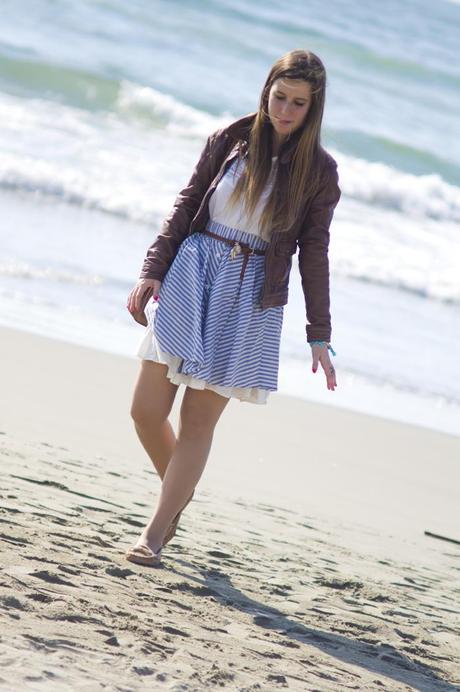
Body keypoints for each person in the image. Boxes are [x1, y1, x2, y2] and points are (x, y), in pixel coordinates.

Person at [125, 49, 341, 566]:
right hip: (193, 272)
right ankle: (178, 493)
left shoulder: (320, 171)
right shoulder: (231, 139)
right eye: (279, 98)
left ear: (314, 109)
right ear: (266, 91)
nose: (286, 111)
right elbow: (187, 201)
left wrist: (319, 333)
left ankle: (153, 535)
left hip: (249, 294)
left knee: (199, 421)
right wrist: (152, 268)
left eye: (298, 104)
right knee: (145, 410)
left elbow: (314, 252)